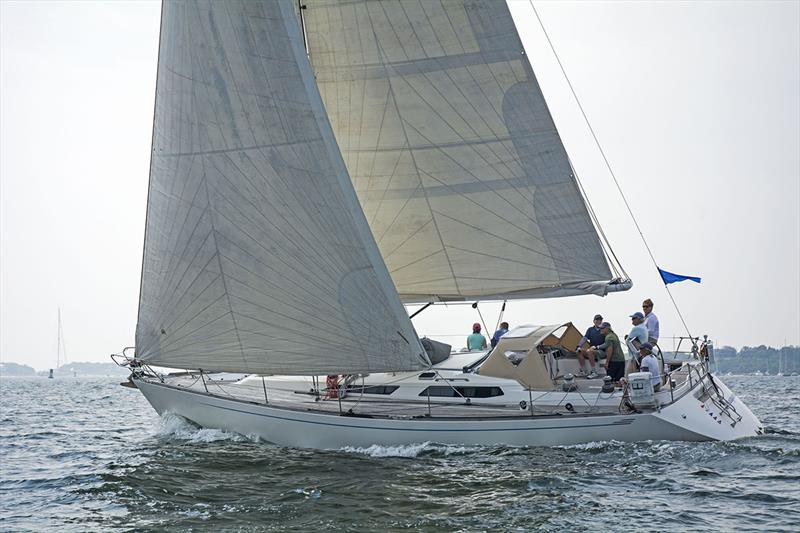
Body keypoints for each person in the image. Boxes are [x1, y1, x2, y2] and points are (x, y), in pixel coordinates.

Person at [576, 314, 605, 378]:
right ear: (594, 321)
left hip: (601, 351)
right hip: (592, 350)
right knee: (579, 351)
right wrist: (578, 346)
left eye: (600, 320)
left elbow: (607, 343)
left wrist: (597, 347)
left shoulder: (604, 329)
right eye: (597, 320)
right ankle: (584, 371)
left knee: (590, 351)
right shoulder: (590, 329)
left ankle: (594, 372)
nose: (599, 321)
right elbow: (584, 338)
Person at [625, 312, 649, 376]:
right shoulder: (644, 327)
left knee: (628, 377)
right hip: (641, 356)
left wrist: (635, 352)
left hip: (634, 358)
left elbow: (627, 341)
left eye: (634, 318)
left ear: (639, 319)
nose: (632, 320)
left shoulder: (636, 328)